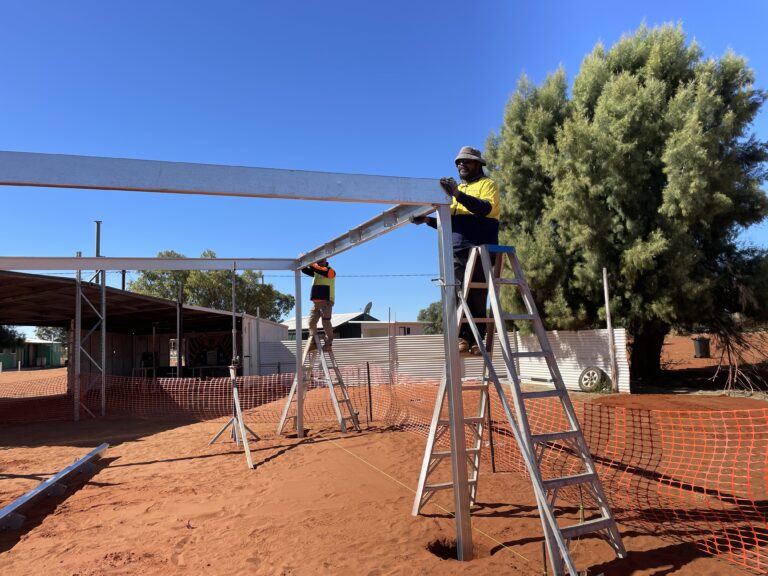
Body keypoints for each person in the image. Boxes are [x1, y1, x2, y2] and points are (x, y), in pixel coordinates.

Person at [413, 146, 500, 354]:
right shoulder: (456, 193)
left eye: (466, 161)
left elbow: (484, 209)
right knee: (457, 294)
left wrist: (457, 194)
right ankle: (462, 338)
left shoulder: (487, 185)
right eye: (459, 162)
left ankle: (477, 340)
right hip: (457, 251)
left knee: (477, 295)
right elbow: (450, 224)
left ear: (478, 164)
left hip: (480, 250)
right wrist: (426, 220)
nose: (461, 165)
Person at [301, 258, 336, 350]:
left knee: (326, 322)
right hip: (316, 302)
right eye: (318, 261)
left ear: (326, 260)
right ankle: (314, 342)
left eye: (321, 261)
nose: (319, 263)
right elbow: (304, 270)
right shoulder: (317, 271)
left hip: (326, 301)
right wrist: (303, 261)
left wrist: (310, 262)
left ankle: (329, 343)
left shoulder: (330, 271)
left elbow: (320, 270)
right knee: (311, 322)